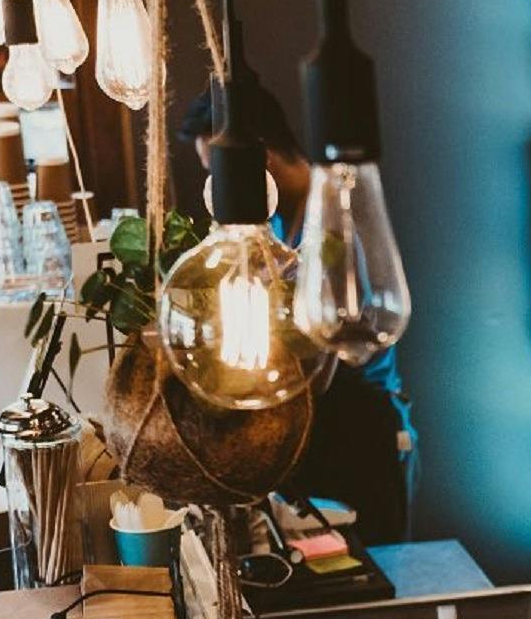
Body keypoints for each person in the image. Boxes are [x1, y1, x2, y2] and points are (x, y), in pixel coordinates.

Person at [176, 76, 414, 544]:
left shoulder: (337, 219)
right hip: (319, 427)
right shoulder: (275, 221)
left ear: (256, 157)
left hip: (363, 427)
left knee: (370, 574)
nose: (215, 189)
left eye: (218, 173)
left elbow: (327, 353)